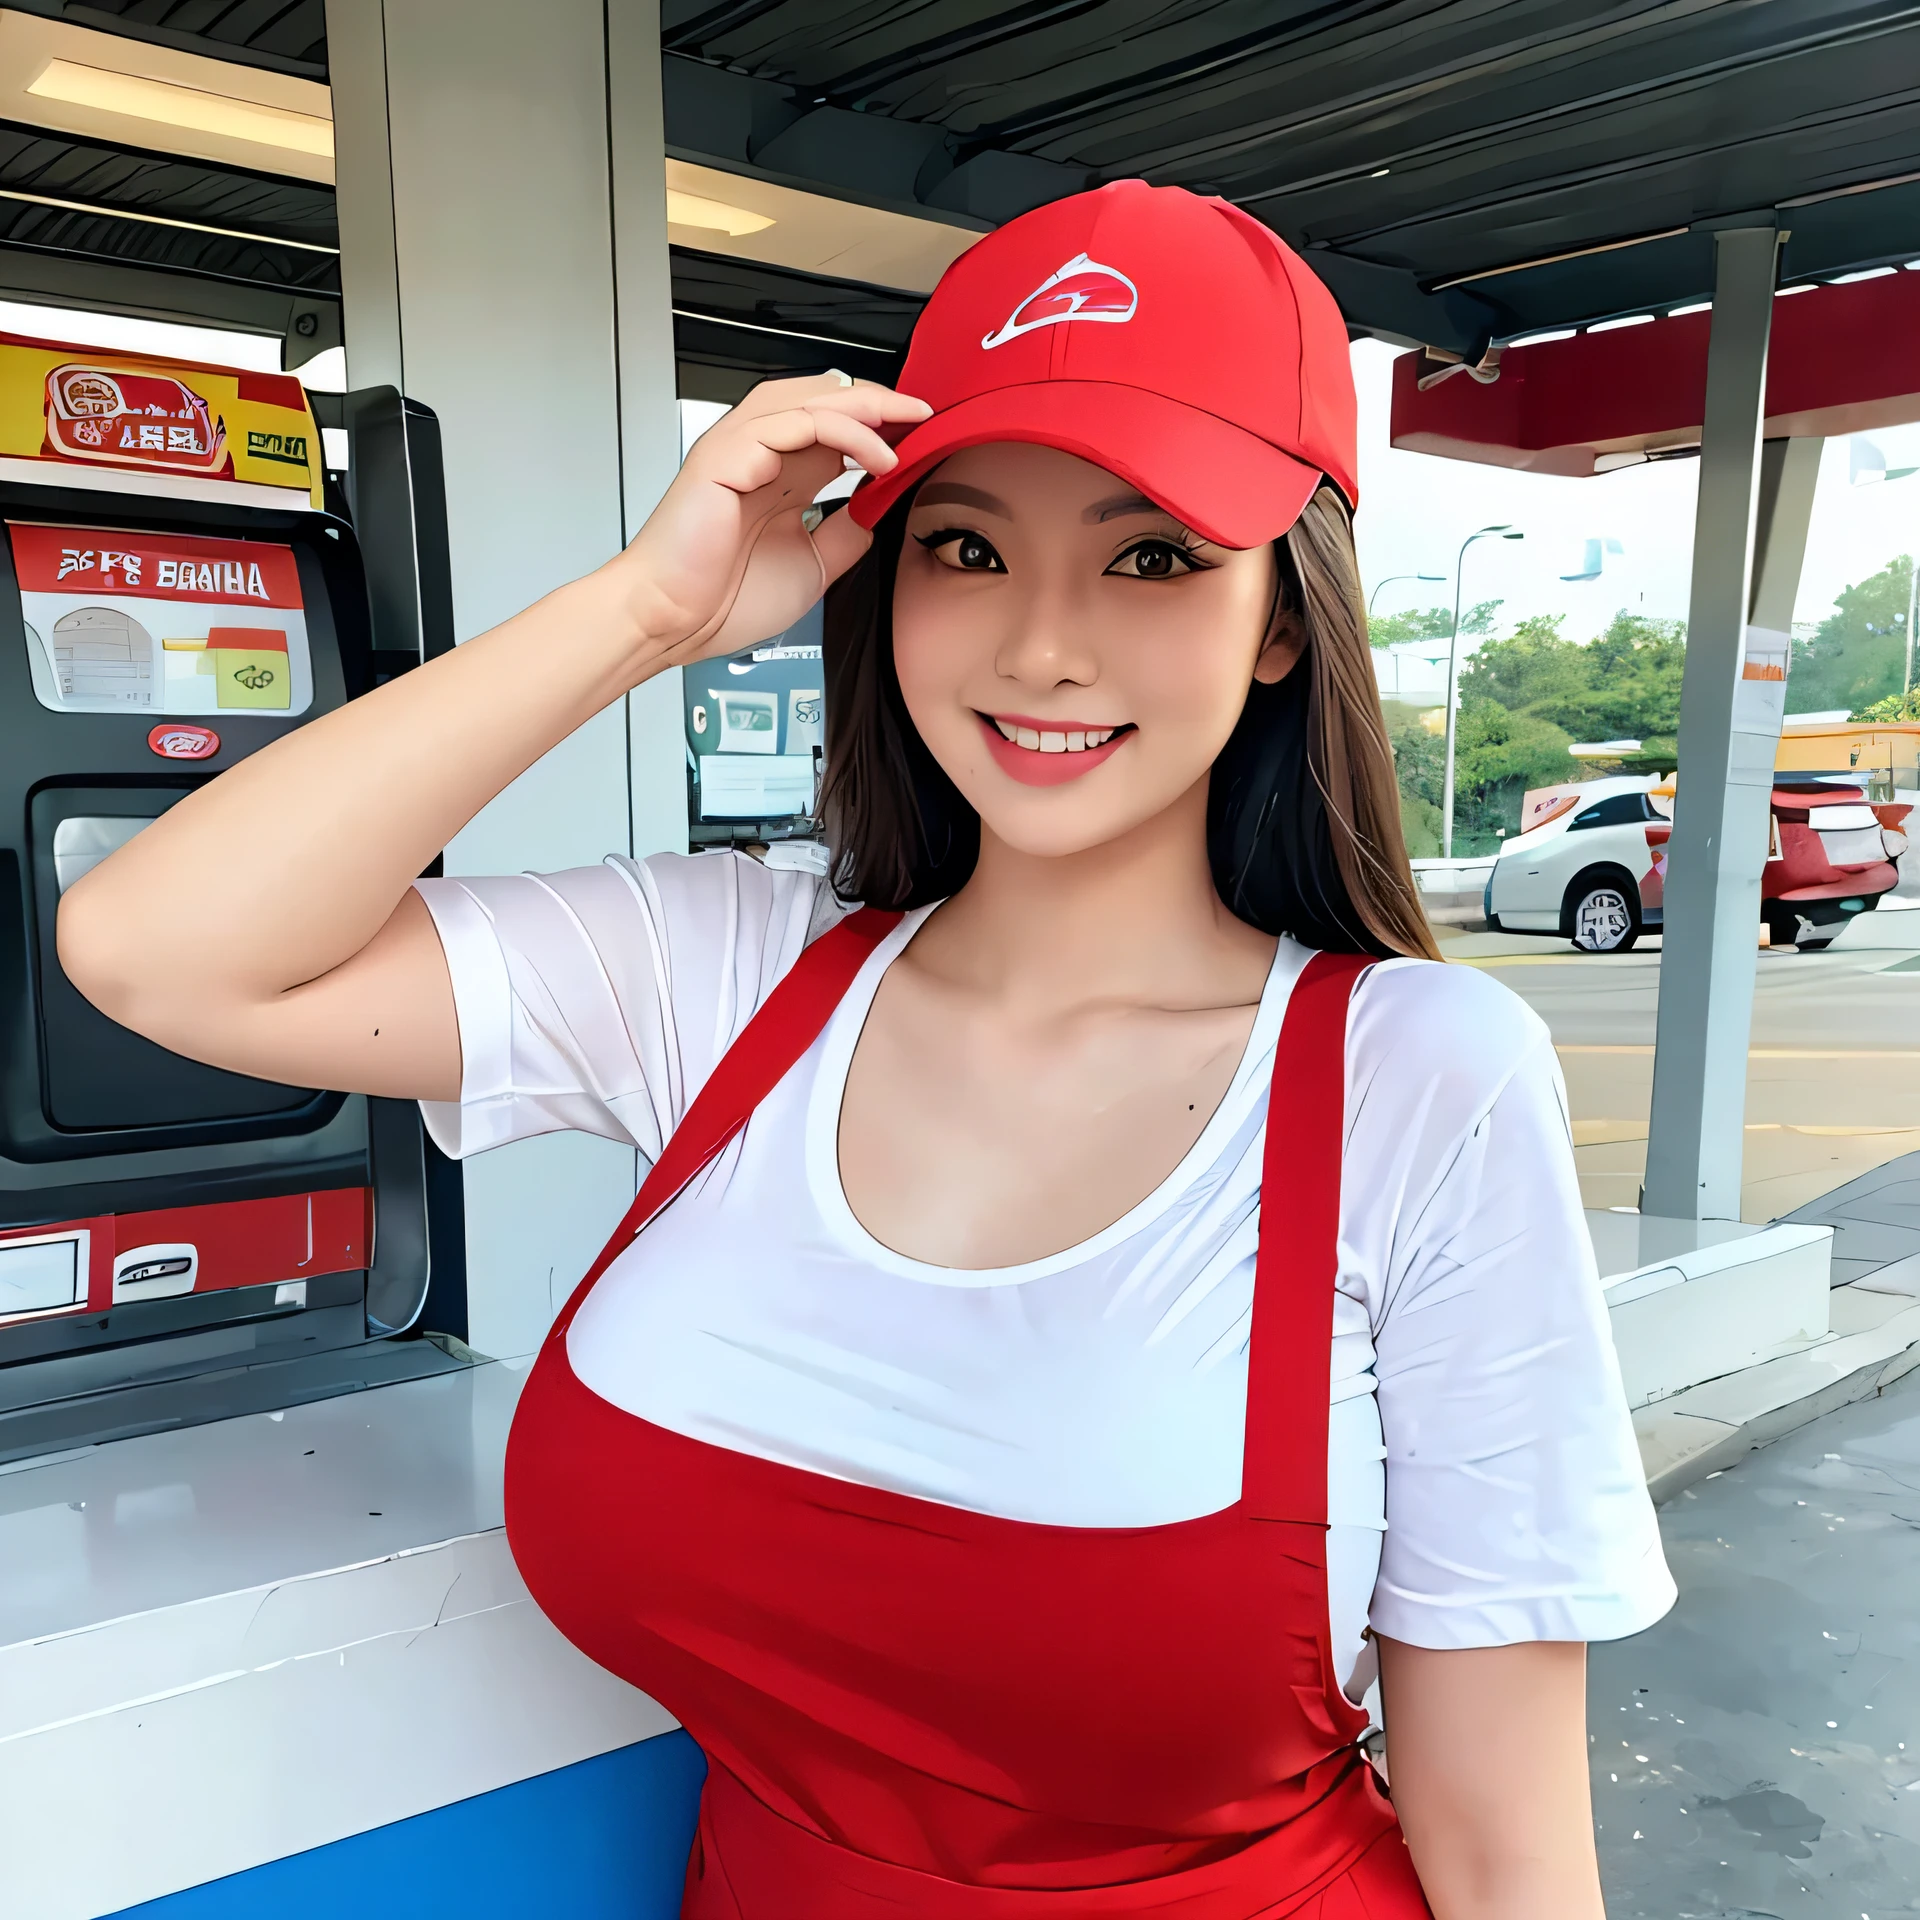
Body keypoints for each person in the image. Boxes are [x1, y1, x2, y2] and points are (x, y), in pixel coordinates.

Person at [59, 182, 1674, 1919]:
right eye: (964, 545)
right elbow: (152, 948)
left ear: (1283, 617)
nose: (1041, 643)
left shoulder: (1420, 1077)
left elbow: (1506, 1840)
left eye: (1153, 556)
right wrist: (641, 617)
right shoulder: (736, 967)